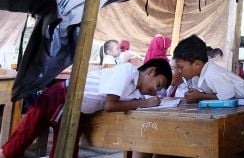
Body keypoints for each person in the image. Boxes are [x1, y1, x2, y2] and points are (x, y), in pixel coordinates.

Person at [2, 58, 171, 157]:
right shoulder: (127, 71)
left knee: (66, 150)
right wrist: (146, 103)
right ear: (150, 71)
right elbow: (110, 105)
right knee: (24, 136)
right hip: (62, 97)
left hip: (78, 110)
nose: (155, 90)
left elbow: (123, 103)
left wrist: (143, 102)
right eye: (158, 84)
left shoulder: (136, 92)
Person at [174, 35, 244, 103]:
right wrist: (197, 95)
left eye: (181, 67)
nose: (180, 71)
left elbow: (229, 96)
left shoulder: (211, 74)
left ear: (197, 64)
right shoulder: (197, 76)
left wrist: (201, 96)